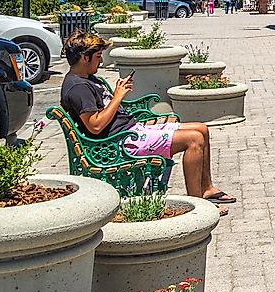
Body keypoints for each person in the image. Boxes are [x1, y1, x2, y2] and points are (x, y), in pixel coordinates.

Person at [59, 31, 235, 211]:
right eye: (97, 57)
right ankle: (199, 205)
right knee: (194, 139)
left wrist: (118, 96)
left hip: (131, 131)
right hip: (120, 144)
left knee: (202, 129)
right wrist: (118, 97)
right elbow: (95, 126)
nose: (101, 61)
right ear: (84, 57)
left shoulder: (87, 78)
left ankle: (206, 188)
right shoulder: (78, 87)